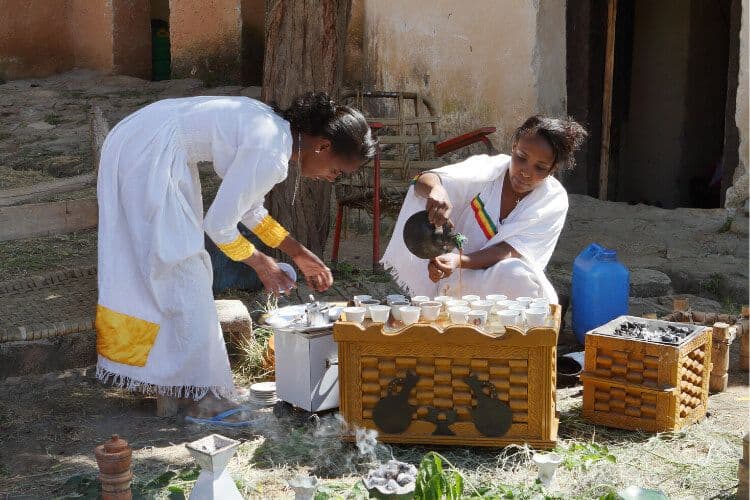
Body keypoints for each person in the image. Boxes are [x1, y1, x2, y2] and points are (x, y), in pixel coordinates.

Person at [95, 92, 375, 425]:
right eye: (336, 171)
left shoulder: (275, 135)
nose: (331, 179)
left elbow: (249, 211)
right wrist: (262, 264)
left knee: (175, 266)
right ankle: (202, 395)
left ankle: (182, 380)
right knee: (181, 268)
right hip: (146, 149)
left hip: (148, 142)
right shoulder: (271, 151)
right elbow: (219, 226)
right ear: (324, 146)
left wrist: (299, 254)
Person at [382, 115, 587, 304]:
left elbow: (510, 251)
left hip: (494, 277)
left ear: (553, 169)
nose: (526, 172)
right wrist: (437, 189)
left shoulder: (552, 200)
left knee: (519, 276)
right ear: (514, 147)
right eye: (521, 157)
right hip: (456, 277)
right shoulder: (486, 171)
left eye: (540, 168)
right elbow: (424, 180)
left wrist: (459, 260)